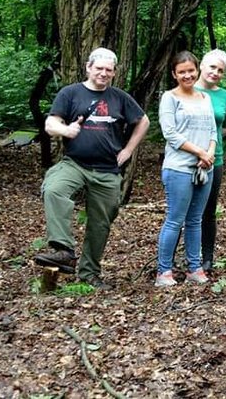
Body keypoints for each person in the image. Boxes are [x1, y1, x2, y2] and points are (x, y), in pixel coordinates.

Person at [34, 48, 150, 290]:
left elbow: (143, 120)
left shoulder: (120, 98)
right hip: (75, 163)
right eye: (99, 68)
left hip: (107, 170)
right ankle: (63, 249)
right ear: (88, 67)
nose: (103, 73)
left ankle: (89, 273)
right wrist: (66, 130)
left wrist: (128, 150)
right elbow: (50, 123)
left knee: (100, 223)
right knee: (54, 189)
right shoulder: (70, 93)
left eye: (109, 70)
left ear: (114, 72)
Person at [155, 51, 218, 287]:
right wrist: (199, 152)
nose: (187, 75)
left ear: (197, 71)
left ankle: (194, 267)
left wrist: (209, 153)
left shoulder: (205, 98)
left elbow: (213, 131)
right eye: (182, 72)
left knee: (195, 220)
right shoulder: (170, 98)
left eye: (191, 70)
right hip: (179, 168)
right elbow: (170, 133)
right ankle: (164, 271)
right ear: (174, 74)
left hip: (205, 168)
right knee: (175, 219)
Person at [194, 49, 226, 273]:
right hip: (185, 159)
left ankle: (207, 257)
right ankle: (179, 256)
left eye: (220, 70)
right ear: (201, 66)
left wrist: (214, 139)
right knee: (182, 211)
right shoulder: (187, 90)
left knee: (208, 211)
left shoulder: (225, 97)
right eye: (212, 67)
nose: (215, 72)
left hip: (214, 160)